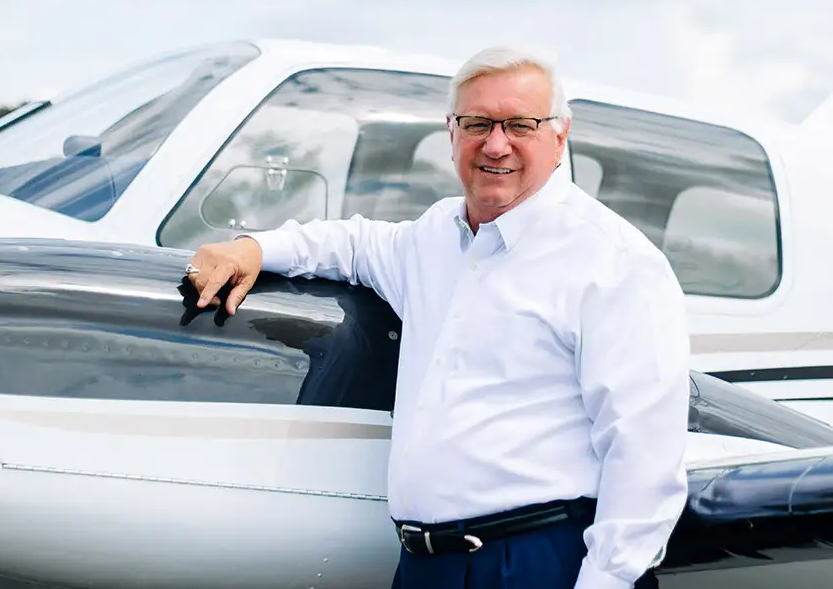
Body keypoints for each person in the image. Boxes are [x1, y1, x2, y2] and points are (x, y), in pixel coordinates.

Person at [185, 46, 691, 589]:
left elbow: (643, 455)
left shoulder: (614, 262)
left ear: (560, 135)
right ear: (450, 132)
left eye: (520, 124)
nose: (496, 144)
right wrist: (252, 248)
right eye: (477, 124)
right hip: (425, 567)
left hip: (537, 563)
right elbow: (353, 244)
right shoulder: (433, 237)